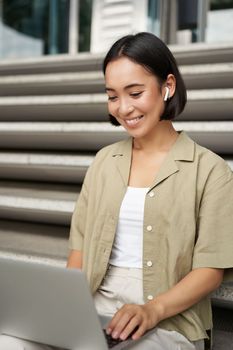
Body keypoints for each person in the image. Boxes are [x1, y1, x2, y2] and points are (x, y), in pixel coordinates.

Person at [1, 32, 233, 350]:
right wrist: (66, 313)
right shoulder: (103, 163)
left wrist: (152, 310)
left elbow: (210, 270)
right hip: (96, 311)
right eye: (112, 96)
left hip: (168, 320)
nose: (123, 108)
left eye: (135, 93)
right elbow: (79, 253)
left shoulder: (210, 171)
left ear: (168, 86)